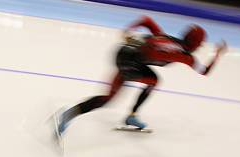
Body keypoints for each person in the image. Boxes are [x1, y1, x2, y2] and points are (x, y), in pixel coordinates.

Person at [55, 15, 227, 138]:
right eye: (201, 43)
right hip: (130, 61)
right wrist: (217, 54)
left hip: (124, 54)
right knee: (152, 81)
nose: (201, 45)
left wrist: (129, 30)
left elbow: (147, 20)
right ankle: (132, 116)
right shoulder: (184, 55)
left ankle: (68, 115)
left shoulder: (167, 37)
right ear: (195, 43)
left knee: (109, 97)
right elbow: (203, 71)